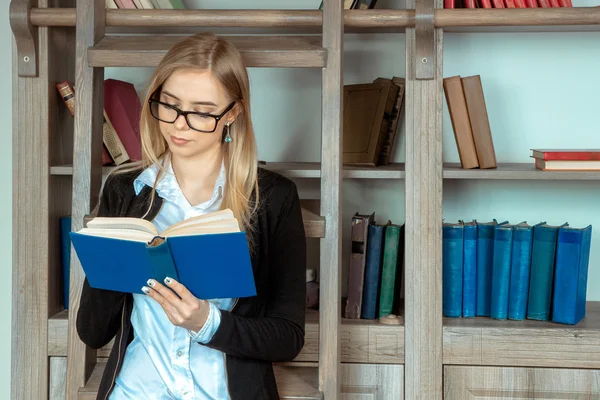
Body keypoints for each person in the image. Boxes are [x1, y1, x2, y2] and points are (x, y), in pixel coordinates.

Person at [76, 32, 307, 400]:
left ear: (232, 113)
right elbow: (92, 331)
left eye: (201, 112)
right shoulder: (125, 190)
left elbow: (288, 336)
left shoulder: (273, 198)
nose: (179, 124)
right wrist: (112, 258)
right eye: (169, 104)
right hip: (135, 391)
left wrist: (208, 323)